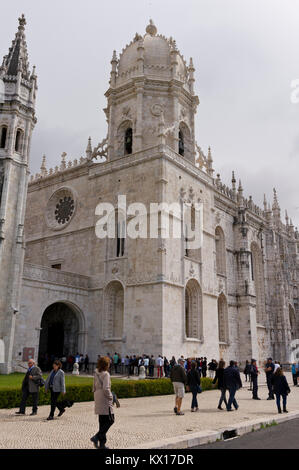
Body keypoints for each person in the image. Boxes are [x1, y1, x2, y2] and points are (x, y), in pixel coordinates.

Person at [90, 356, 114, 449]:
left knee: (102, 421)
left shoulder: (96, 372)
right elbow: (106, 388)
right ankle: (96, 437)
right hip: (104, 398)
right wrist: (111, 397)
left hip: (97, 396)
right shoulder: (106, 374)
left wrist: (96, 395)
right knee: (111, 420)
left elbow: (94, 386)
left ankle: (102, 444)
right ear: (106, 365)